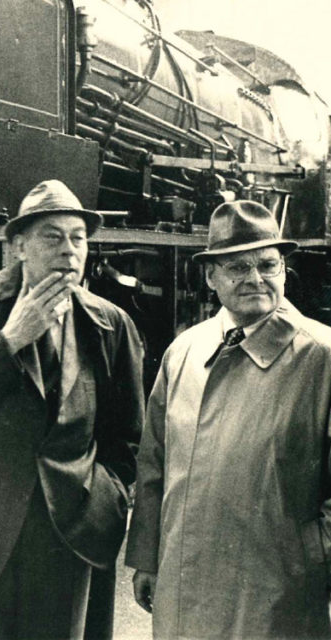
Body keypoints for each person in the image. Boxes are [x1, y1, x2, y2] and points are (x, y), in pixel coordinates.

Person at [0, 179, 145, 640]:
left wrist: (104, 497)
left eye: (79, 238)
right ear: (18, 245)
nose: (69, 250)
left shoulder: (111, 324)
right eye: (52, 237)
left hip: (70, 532)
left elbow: (127, 436)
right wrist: (8, 341)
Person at [126, 200, 331, 638]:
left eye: (268, 265)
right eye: (238, 267)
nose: (256, 278)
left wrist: (315, 561)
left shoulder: (323, 356)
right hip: (185, 583)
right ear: (210, 276)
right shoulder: (184, 350)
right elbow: (153, 463)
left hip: (279, 590)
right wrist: (147, 556)